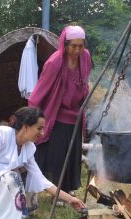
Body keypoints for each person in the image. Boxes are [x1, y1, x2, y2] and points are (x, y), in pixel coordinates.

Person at [0, 107, 85, 219]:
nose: (42, 133)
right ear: (26, 126)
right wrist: (11, 172)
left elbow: (40, 179)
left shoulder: (29, 147)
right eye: (39, 128)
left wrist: (70, 199)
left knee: (25, 174)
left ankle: (13, 210)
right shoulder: (0, 134)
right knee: (12, 176)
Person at [28, 25, 91, 203]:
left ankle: (67, 188)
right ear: (65, 44)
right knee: (57, 154)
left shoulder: (85, 57)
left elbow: (85, 79)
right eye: (73, 46)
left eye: (81, 46)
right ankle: (56, 192)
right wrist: (34, 115)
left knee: (72, 154)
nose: (77, 50)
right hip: (56, 114)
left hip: (75, 114)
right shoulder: (54, 62)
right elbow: (39, 91)